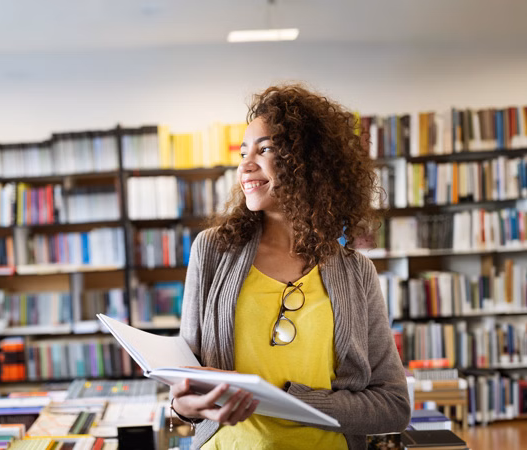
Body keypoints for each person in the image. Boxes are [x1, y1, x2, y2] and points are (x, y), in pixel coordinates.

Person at [168, 84, 411, 449]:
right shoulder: (213, 252)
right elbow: (185, 387)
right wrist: (185, 406)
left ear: (309, 162)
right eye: (243, 152)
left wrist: (289, 402)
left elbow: (393, 406)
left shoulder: (356, 272)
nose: (245, 165)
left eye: (264, 149)